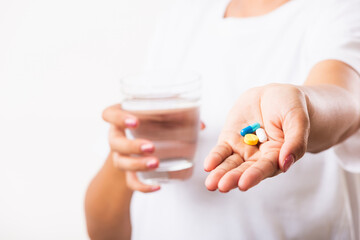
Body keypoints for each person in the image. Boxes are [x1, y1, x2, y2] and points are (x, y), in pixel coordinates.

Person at [85, 0, 360, 239]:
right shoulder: (184, 16)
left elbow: (345, 98)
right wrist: (127, 155)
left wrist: (303, 105)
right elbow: (104, 233)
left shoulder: (336, 11)